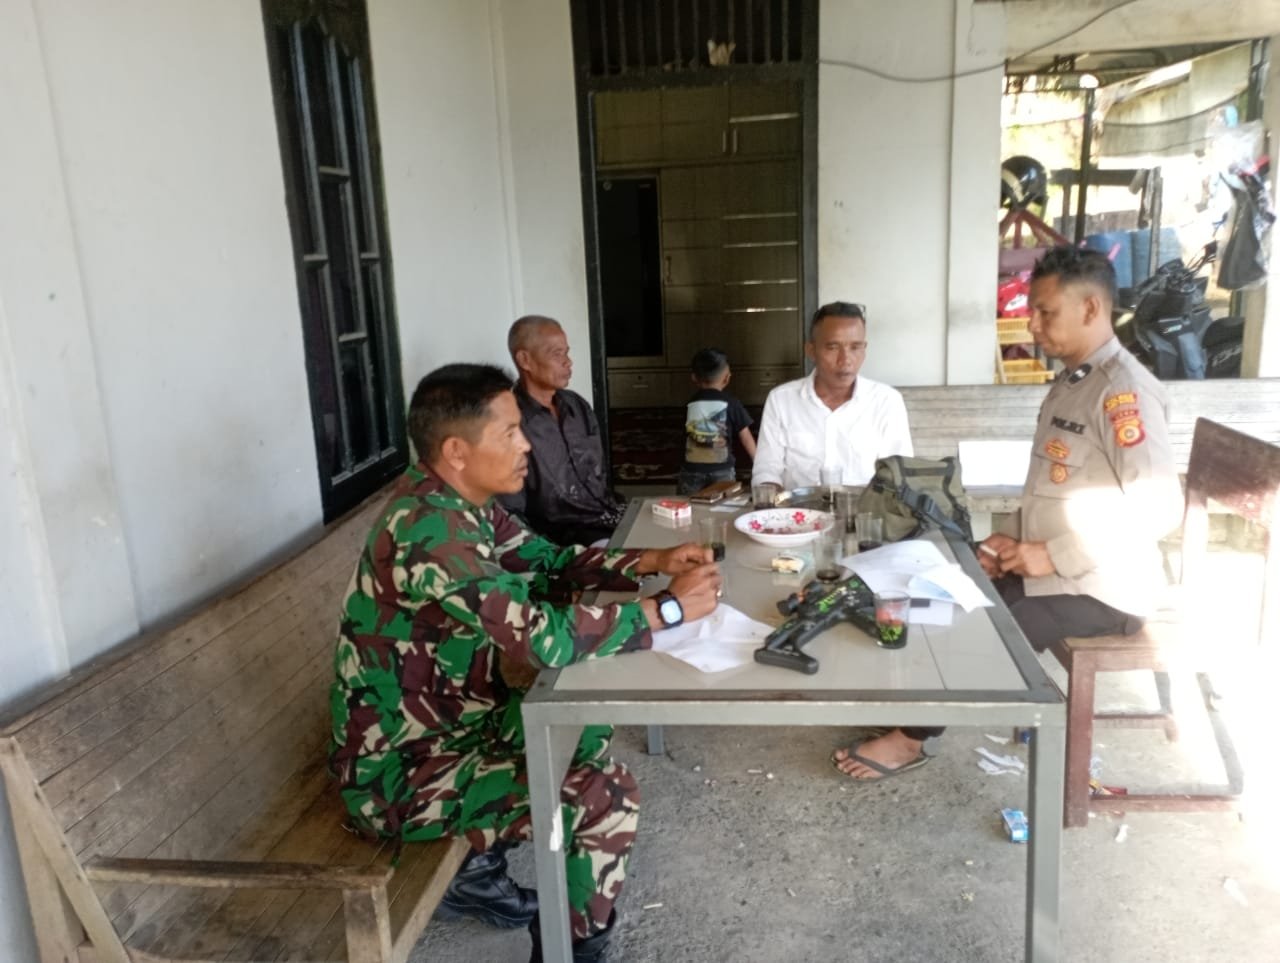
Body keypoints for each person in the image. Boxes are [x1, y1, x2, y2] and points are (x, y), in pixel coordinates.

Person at [329, 363, 722, 960]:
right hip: (398, 772)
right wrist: (665, 610)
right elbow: (543, 641)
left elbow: (547, 562)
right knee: (603, 796)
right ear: (457, 451)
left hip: (458, 723)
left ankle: (477, 871)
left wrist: (649, 562)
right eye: (510, 433)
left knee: (584, 723)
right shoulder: (430, 534)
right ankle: (570, 950)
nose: (526, 445)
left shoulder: (461, 503)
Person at [832, 246, 1184, 781]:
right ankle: (915, 710)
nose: (1032, 324)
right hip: (1060, 574)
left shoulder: (1123, 393)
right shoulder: (1073, 383)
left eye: (1045, 312)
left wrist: (1053, 555)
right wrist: (1011, 543)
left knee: (989, 635)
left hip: (1106, 589)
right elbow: (1053, 489)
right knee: (951, 595)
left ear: (1091, 308)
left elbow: (1158, 507)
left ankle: (909, 741)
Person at [752, 301, 912, 490]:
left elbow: (898, 475)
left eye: (855, 347)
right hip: (798, 508)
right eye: (833, 347)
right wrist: (770, 496)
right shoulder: (782, 401)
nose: (845, 360)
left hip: (864, 508)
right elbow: (767, 470)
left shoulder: (886, 402)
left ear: (864, 349)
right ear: (811, 350)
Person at [501, 315, 625, 546]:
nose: (568, 362)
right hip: (564, 536)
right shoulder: (510, 421)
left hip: (608, 515)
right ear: (525, 360)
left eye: (566, 353)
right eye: (557, 354)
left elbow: (599, 477)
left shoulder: (576, 405)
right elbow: (512, 510)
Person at [677, 347, 756, 495]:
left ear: (694, 378)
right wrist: (758, 463)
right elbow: (746, 437)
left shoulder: (689, 404)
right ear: (726, 378)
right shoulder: (732, 403)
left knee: (689, 502)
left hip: (692, 469)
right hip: (722, 469)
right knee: (725, 503)